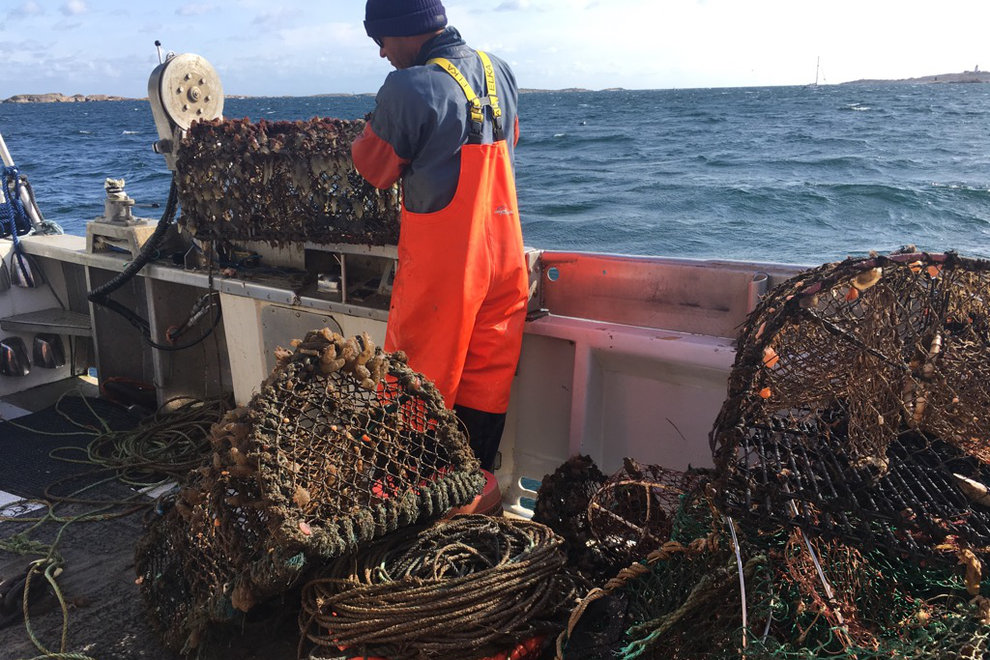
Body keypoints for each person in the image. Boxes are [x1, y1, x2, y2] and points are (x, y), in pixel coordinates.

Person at [351, 0, 528, 472]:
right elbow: (510, 139)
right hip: (507, 264)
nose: (382, 53)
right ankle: (470, 492)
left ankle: (409, 502)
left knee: (415, 386)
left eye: (380, 40)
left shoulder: (409, 86)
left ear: (405, 32)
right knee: (486, 382)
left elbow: (375, 168)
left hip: (446, 275)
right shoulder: (500, 70)